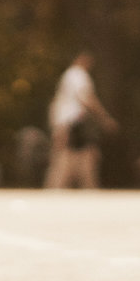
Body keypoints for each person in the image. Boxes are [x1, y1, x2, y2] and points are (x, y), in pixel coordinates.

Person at [47, 53, 114, 190]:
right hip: (73, 120)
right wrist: (103, 117)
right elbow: (85, 97)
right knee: (80, 154)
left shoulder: (68, 75)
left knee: (71, 154)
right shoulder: (79, 75)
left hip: (65, 119)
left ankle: (59, 186)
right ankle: (83, 186)